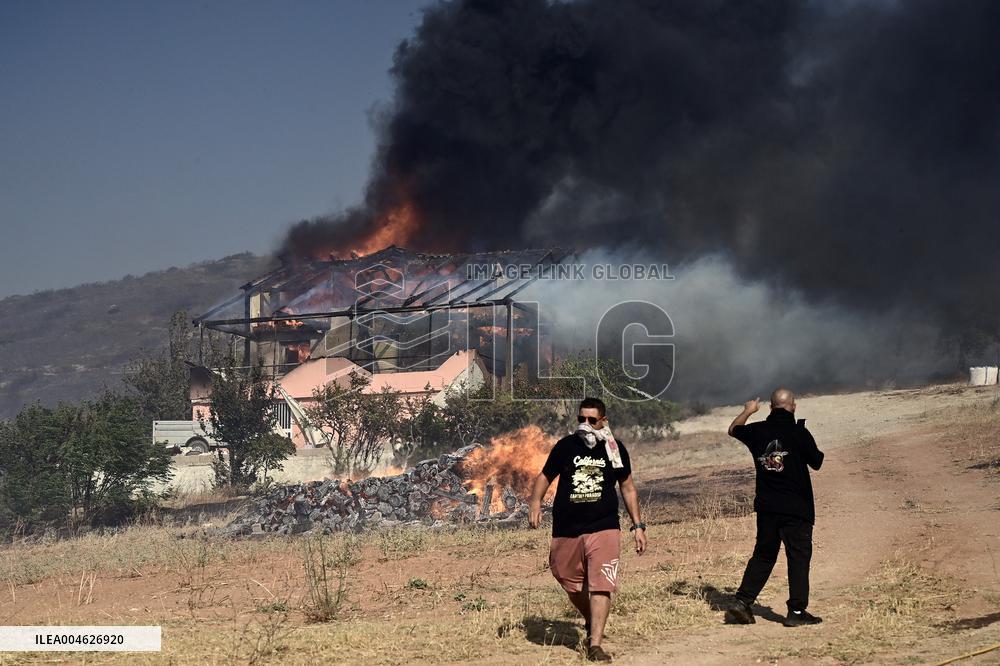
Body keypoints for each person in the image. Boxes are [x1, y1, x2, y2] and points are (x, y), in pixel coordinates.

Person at [528, 397, 647, 663]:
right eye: (581, 419)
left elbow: (627, 488)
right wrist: (535, 502)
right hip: (566, 526)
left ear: (603, 421)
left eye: (592, 420)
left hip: (603, 525)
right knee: (566, 577)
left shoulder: (614, 449)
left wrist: (637, 525)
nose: (586, 424)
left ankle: (595, 644)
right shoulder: (565, 447)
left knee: (601, 584)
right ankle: (593, 619)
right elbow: (545, 476)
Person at [725, 388, 825, 627]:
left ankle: (742, 602)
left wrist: (748, 411)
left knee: (763, 555)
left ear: (770, 407)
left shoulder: (757, 431)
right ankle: (797, 612)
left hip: (767, 507)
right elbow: (817, 462)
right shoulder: (799, 432)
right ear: (793, 406)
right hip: (796, 509)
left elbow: (733, 430)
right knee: (798, 558)